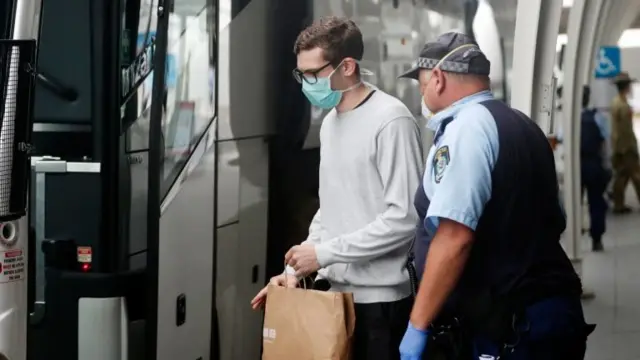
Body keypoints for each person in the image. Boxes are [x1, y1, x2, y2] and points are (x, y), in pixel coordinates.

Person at [396, 32, 594, 360]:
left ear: (438, 78)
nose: (423, 94)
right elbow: (554, 219)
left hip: (513, 326)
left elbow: (454, 237)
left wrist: (418, 325)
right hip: (551, 310)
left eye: (421, 85)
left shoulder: (466, 130)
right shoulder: (522, 124)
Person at [250, 16, 424, 360]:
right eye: (301, 74)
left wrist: (324, 254)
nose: (306, 84)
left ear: (347, 65)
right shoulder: (330, 124)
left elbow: (405, 219)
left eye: (313, 74)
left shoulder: (392, 120)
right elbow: (331, 207)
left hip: (380, 305)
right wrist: (297, 266)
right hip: (335, 299)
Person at [580, 85, 611, 252]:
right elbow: (606, 143)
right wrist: (607, 165)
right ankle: (597, 239)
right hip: (594, 164)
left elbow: (562, 139)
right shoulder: (598, 117)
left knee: (574, 203)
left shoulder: (570, 119)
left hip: (576, 166)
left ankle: (574, 236)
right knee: (596, 202)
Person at [610, 71, 640, 213]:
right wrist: (631, 147)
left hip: (618, 145)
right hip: (626, 146)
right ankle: (619, 203)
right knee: (636, 174)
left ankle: (618, 203)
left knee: (621, 175)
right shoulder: (623, 105)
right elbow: (626, 130)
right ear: (626, 87)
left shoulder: (615, 102)